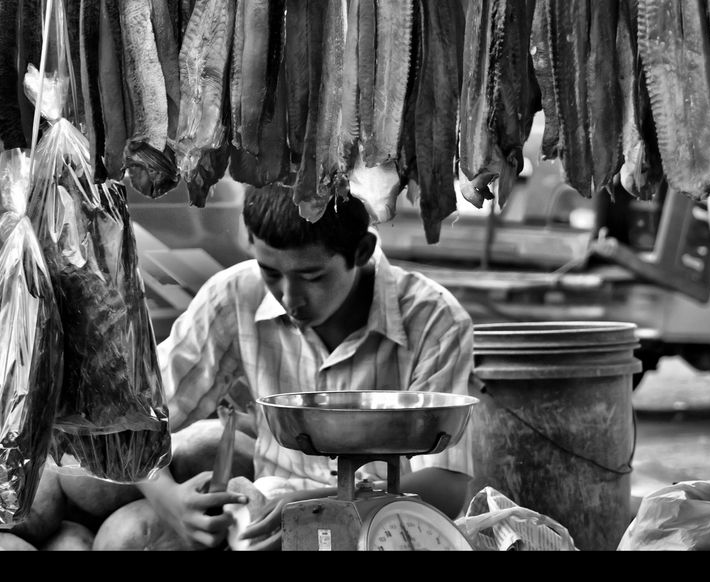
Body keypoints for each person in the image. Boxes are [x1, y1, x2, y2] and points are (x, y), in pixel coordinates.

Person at [138, 183, 476, 549]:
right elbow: (135, 420)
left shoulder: (434, 319)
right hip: (264, 522)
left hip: (391, 528)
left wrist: (321, 507)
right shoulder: (234, 296)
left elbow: (445, 485)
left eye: (312, 277)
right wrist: (168, 499)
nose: (289, 297)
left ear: (361, 252)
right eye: (270, 272)